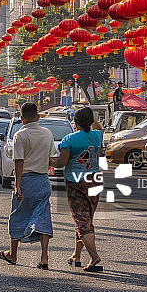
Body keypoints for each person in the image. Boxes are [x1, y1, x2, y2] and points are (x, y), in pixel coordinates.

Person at [0, 102, 54, 269]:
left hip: (26, 180)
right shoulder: (47, 134)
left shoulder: (20, 136)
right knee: (43, 217)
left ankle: (13, 254)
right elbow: (51, 158)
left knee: (18, 216)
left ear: (22, 119)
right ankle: (44, 257)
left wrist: (17, 185)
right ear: (38, 116)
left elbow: (19, 162)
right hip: (43, 181)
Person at [52, 106, 104, 273]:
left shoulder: (69, 139)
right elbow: (99, 127)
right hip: (95, 181)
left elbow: (61, 163)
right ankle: (76, 255)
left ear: (75, 122)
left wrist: (47, 161)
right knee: (86, 220)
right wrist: (90, 119)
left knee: (82, 221)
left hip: (76, 183)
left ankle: (94, 257)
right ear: (90, 121)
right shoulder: (97, 136)